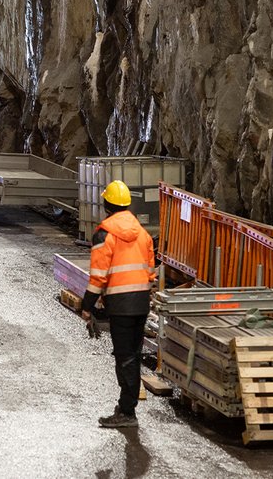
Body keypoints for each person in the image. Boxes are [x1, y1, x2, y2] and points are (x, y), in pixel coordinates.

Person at [80, 179, 156, 429]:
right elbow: (150, 271)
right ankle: (127, 406)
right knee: (133, 354)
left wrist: (87, 305)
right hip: (141, 302)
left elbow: (98, 276)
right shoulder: (142, 233)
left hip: (121, 304)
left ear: (106, 204)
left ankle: (127, 412)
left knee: (125, 358)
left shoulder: (105, 233)